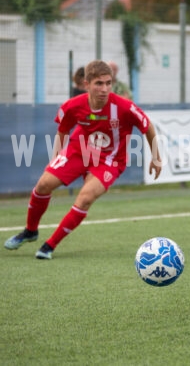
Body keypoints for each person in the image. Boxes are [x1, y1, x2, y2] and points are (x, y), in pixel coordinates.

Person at [4, 60, 162, 259]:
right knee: (44, 184)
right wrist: (56, 160)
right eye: (98, 83)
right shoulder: (72, 106)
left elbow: (148, 127)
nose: (104, 89)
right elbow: (62, 131)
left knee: (85, 197)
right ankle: (30, 231)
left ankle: (49, 245)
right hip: (79, 151)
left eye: (108, 83)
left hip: (110, 160)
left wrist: (156, 157)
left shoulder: (124, 107)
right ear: (86, 84)